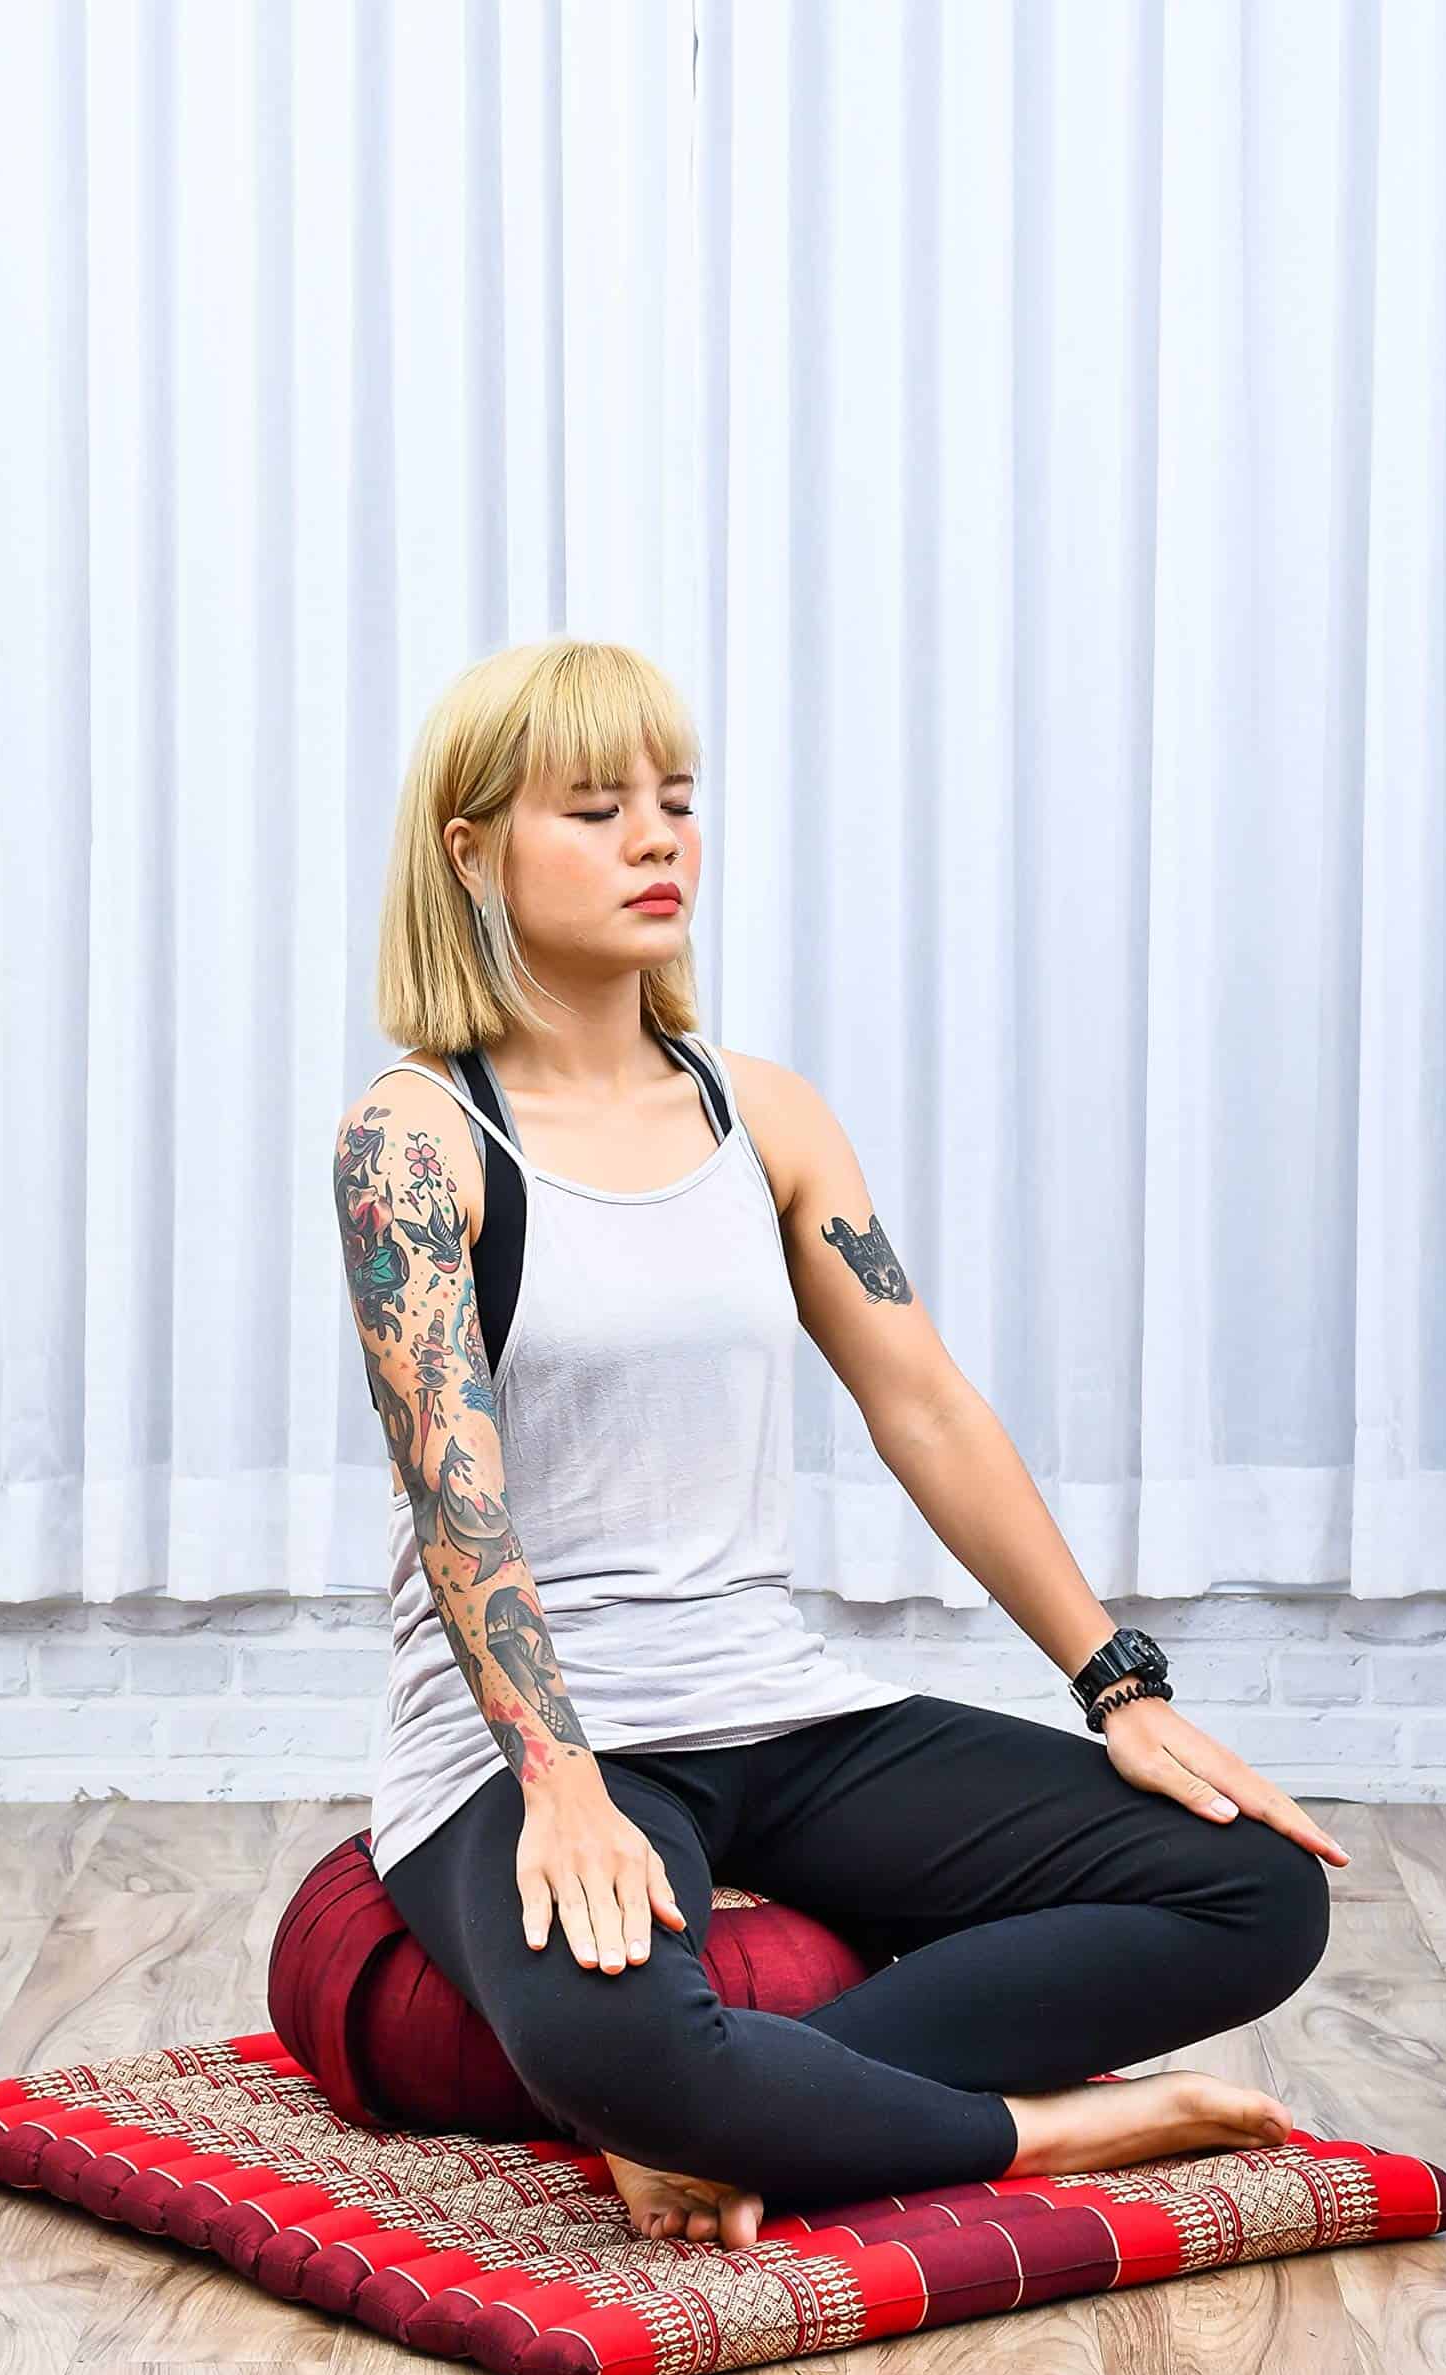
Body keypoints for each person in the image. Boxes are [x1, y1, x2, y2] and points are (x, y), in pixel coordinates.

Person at [331, 635, 1338, 2251]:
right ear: (471, 852)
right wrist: (560, 1783)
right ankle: (1049, 2134)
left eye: (676, 800)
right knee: (622, 2041)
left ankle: (724, 2116)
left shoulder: (768, 1117)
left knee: (1258, 1890)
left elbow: (921, 1403)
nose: (657, 839)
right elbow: (457, 1496)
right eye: (595, 808)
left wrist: (1122, 1689)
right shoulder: (417, 1139)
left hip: (774, 1704)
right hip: (533, 1737)